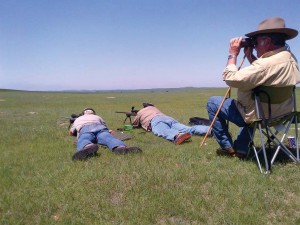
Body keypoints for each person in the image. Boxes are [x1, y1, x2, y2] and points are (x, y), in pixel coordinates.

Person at [206, 17, 300, 159]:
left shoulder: (264, 65)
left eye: (256, 42)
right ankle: (242, 149)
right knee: (254, 104)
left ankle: (227, 148)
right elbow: (265, 75)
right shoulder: (290, 58)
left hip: (259, 116)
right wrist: (250, 57)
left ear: (267, 41)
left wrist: (233, 54)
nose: (254, 46)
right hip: (282, 116)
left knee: (213, 102)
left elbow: (230, 78)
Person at [69, 108, 142, 160]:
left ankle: (88, 146)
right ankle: (120, 147)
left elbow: (71, 133)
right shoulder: (97, 117)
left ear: (83, 113)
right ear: (93, 113)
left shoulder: (78, 119)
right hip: (100, 128)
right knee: (109, 138)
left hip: (85, 129)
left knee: (84, 138)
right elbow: (106, 127)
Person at [132, 103, 211, 144]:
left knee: (163, 130)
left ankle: (177, 135)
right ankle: (210, 130)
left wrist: (137, 114)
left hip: (155, 120)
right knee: (188, 128)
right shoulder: (153, 108)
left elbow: (135, 124)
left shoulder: (140, 112)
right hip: (168, 118)